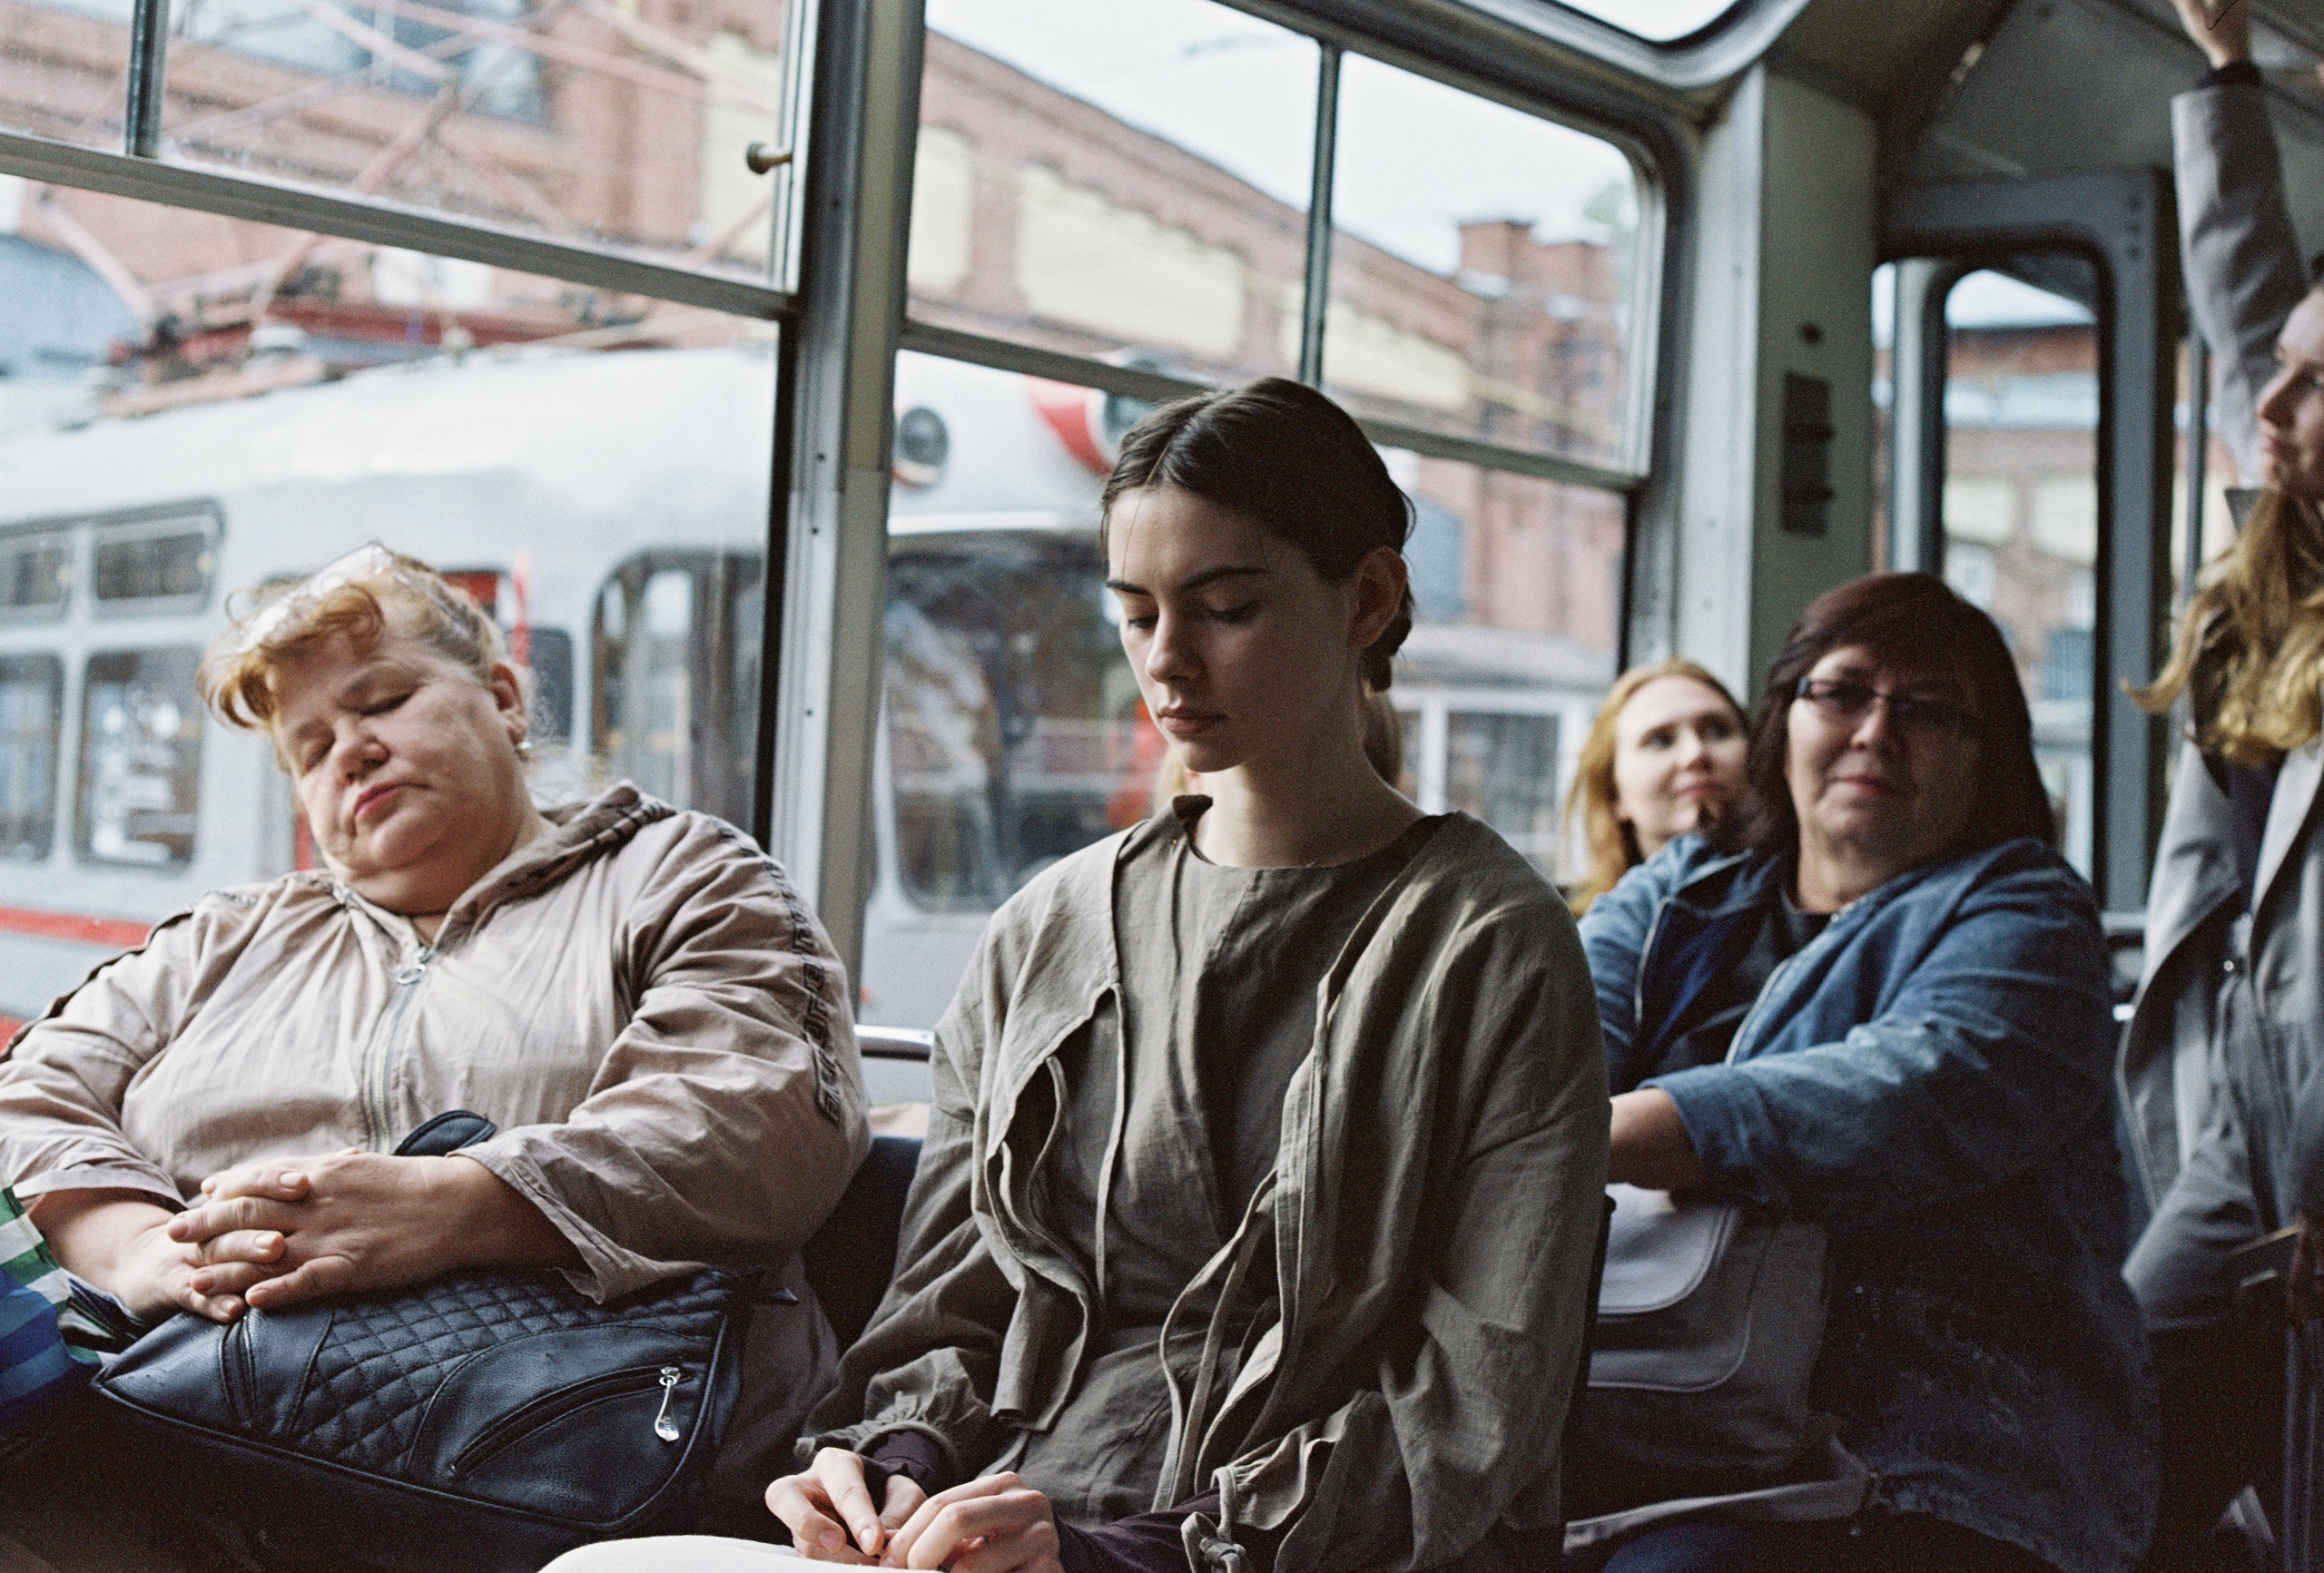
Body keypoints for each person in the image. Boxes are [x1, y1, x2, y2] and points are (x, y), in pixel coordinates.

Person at [734, 377, 1608, 1573]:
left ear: (1369, 598)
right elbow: (952, 1300)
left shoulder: (1488, 947)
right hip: (994, 1527)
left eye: (1226, 607)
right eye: (1135, 613)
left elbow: (1471, 1413)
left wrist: (1127, 1555)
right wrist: (889, 1466)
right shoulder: (1046, 928)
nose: (1167, 660)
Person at [0, 545, 870, 1568]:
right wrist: (138, 1248)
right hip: (194, 1441)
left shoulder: (679, 874)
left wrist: (457, 1205)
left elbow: (762, 1114)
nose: (350, 752)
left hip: (590, 1466)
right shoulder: (223, 938)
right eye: (310, 745)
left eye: (383, 701)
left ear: (503, 697)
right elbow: (31, 1099)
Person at [1575, 573, 2152, 1573]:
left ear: (1988, 758)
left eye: (1929, 709)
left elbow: (1904, 1091)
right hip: (1638, 1405)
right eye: (1842, 692)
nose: (1876, 732)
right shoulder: (1681, 891)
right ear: (1785, 715)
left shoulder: (2028, 915)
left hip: (1918, 1447)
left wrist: (1604, 1134)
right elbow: (1542, 1043)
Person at [2119, 12, 2324, 1569]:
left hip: (2301, 1147)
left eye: (2301, 393)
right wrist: (2227, 82)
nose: (2266, 411)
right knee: (2125, 1433)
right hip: (2234, 1117)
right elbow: (2258, 298)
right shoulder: (2287, 571)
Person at [1562, 658, 1749, 914]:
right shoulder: (1574, 940)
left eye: (1717, 731)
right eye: (1661, 740)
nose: (1695, 754)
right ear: (1614, 792)